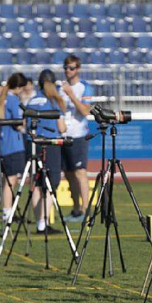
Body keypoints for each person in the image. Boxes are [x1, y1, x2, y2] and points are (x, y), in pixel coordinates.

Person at [25, 70, 66, 234]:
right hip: (50, 144)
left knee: (35, 184)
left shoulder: (32, 101)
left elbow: (25, 125)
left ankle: (39, 223)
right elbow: (62, 127)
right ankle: (44, 222)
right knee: (50, 184)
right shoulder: (55, 101)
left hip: (33, 143)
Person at [58, 54, 94, 222]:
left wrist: (71, 95)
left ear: (78, 69)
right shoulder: (60, 88)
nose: (68, 71)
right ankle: (76, 209)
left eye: (71, 68)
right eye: (66, 67)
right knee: (69, 174)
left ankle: (86, 209)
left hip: (79, 135)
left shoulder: (84, 87)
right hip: (64, 135)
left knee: (80, 172)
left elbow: (85, 111)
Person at [0, 73, 28, 222]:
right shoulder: (13, 99)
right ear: (19, 87)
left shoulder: (3, 98)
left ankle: (7, 210)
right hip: (14, 144)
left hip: (4, 143)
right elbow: (17, 122)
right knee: (12, 180)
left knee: (7, 180)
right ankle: (7, 212)